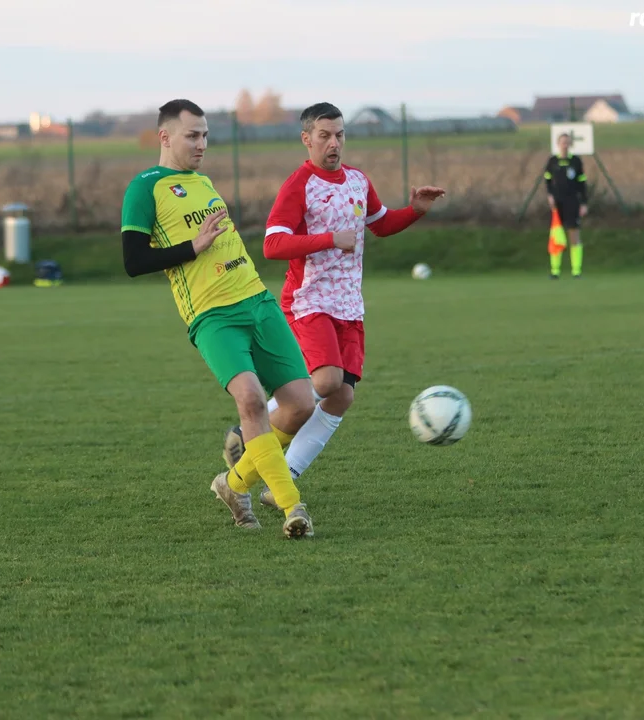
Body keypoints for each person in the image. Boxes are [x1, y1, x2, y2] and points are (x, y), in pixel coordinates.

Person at [222, 102, 446, 509]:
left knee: (342, 396)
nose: (334, 143)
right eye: (324, 135)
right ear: (306, 139)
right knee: (324, 384)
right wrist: (329, 239)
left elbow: (379, 224)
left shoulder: (359, 181)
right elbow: (272, 245)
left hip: (350, 306)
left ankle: (279, 475)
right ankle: (257, 423)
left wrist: (414, 211)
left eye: (340, 134)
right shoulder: (299, 184)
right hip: (309, 302)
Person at [120, 98, 317, 539]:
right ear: (165, 136)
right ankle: (292, 507)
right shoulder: (145, 187)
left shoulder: (203, 182)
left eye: (206, 135)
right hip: (212, 315)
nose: (202, 143)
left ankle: (233, 483)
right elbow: (133, 261)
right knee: (249, 399)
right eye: (193, 135)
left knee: (302, 404)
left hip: (257, 301)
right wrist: (194, 247)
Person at [543, 132, 588, 279]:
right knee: (556, 236)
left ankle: (577, 271)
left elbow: (582, 183)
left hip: (572, 202)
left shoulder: (576, 161)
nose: (565, 145)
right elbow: (547, 181)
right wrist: (550, 196)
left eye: (567, 142)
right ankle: (555, 270)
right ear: (558, 144)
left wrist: (584, 203)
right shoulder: (552, 161)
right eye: (563, 142)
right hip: (557, 203)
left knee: (574, 234)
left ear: (570, 144)